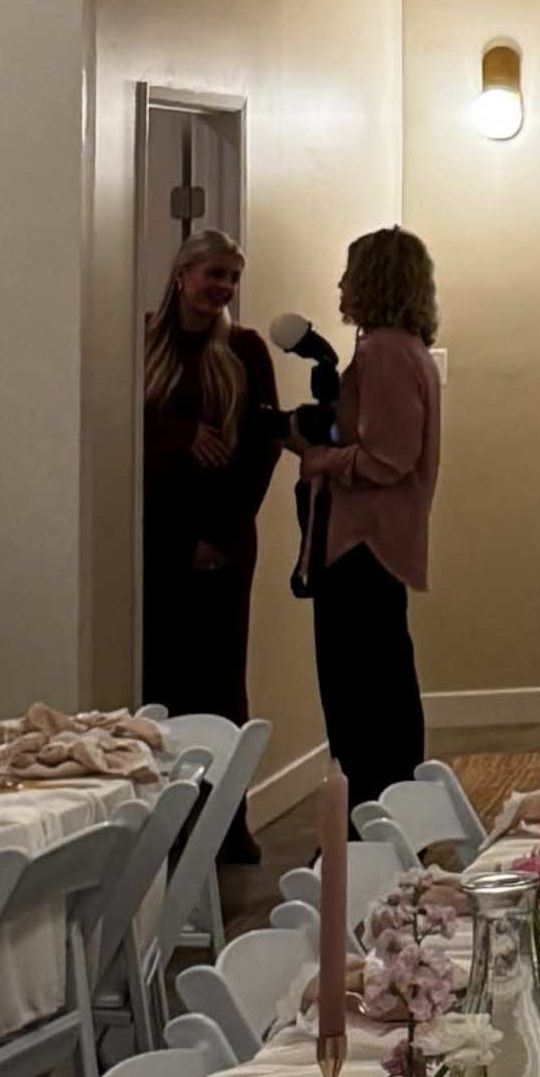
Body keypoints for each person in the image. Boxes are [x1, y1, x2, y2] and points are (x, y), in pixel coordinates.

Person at [291, 222, 446, 804]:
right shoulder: (409, 352)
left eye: (351, 270)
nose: (341, 282)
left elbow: (389, 457)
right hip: (379, 543)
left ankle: (367, 819)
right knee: (385, 683)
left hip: (362, 542)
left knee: (358, 693)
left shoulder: (383, 352)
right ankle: (390, 812)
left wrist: (320, 458)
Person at [137, 228, 286, 721]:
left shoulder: (245, 350)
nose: (224, 286)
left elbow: (263, 450)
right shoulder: (142, 344)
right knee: (155, 674)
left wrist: (219, 537)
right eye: (215, 274)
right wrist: (177, 434)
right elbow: (118, 431)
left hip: (221, 539)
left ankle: (222, 796)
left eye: (233, 278)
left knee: (216, 678)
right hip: (153, 539)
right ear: (182, 276)